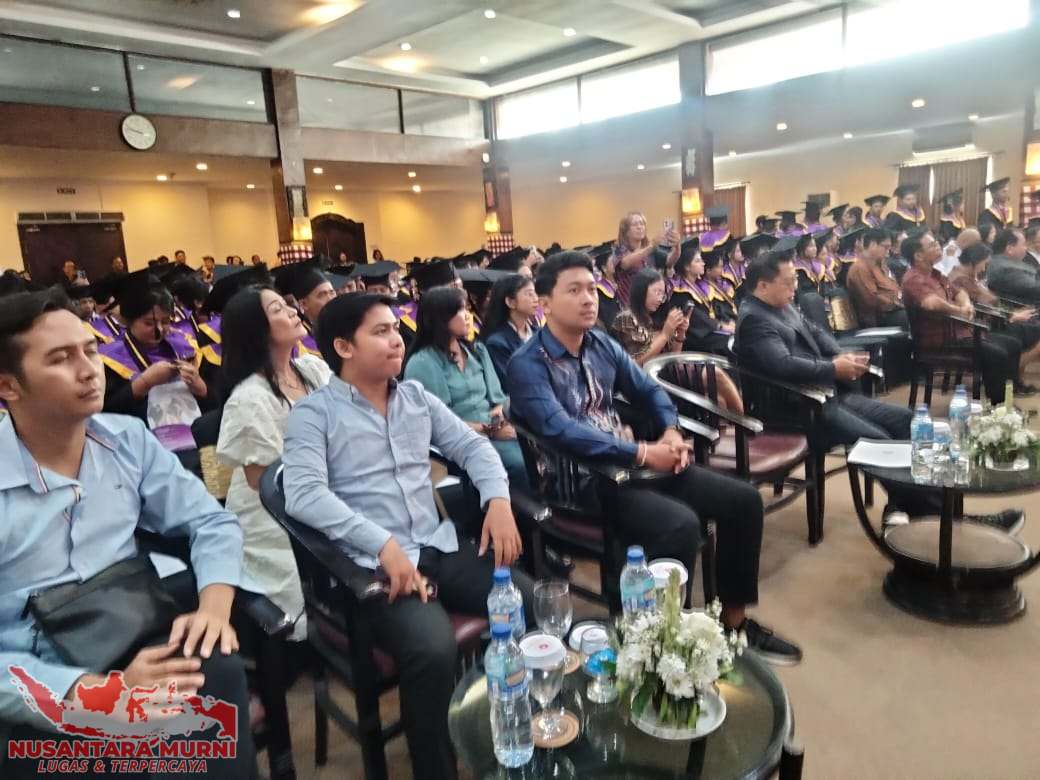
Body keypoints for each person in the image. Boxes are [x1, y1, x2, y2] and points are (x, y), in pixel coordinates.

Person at [0, 289, 255, 778]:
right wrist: (87, 694)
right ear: (9, 386)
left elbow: (211, 521)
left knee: (216, 671)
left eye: (90, 350)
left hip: (127, 629)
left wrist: (214, 607)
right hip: (39, 675)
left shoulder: (127, 440)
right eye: (60, 359)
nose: (88, 370)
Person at [283, 293, 534, 780]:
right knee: (433, 648)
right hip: (373, 569)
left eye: (395, 329)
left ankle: (514, 731)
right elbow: (304, 494)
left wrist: (498, 501)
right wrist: (381, 542)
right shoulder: (314, 414)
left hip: (435, 545)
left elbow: (473, 447)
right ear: (343, 347)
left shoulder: (415, 398)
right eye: (380, 332)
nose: (396, 339)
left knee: (525, 600)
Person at [508, 251, 801, 665]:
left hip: (631, 463)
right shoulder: (527, 364)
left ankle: (733, 624)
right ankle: (664, 644)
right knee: (678, 525)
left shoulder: (600, 343)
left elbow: (648, 390)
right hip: (581, 481)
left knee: (743, 501)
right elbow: (561, 431)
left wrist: (670, 431)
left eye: (591, 288)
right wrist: (644, 451)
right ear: (545, 302)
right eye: (574, 290)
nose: (589, 299)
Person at [217, 285, 331, 642]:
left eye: (288, 304)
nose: (294, 311)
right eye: (278, 309)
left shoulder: (311, 369)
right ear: (257, 329)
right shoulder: (250, 398)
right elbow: (265, 484)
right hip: (275, 512)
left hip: (323, 488)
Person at [404, 287, 528, 489]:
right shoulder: (423, 362)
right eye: (461, 311)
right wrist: (490, 430)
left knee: (543, 450)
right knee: (520, 463)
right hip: (459, 442)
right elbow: (439, 424)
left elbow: (498, 398)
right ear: (442, 318)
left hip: (495, 429)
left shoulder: (476, 350)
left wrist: (499, 416)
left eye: (467, 309)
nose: (468, 316)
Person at [900, 231, 1021, 402]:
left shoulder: (935, 274)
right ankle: (998, 405)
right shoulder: (913, 278)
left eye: (937, 243)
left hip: (959, 333)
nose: (939, 247)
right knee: (997, 354)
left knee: (1013, 344)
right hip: (941, 342)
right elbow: (931, 303)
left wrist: (966, 305)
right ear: (918, 255)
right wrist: (959, 311)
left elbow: (959, 292)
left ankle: (1007, 398)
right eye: (933, 245)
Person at [949, 243, 1040, 386]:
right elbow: (983, 305)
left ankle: (1014, 376)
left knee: (1031, 325)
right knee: (1032, 330)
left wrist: (1013, 313)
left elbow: (991, 303)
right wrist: (1012, 316)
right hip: (984, 324)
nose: (985, 268)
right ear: (975, 261)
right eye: (984, 263)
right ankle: (1011, 373)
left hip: (993, 318)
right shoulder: (962, 280)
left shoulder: (969, 276)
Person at [668, 239, 734, 355]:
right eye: (698, 261)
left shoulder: (698, 286)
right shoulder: (681, 291)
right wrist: (721, 326)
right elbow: (697, 318)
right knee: (730, 343)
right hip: (694, 338)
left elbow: (713, 310)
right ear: (687, 267)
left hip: (707, 332)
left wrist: (727, 322)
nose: (703, 263)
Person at [611, 268, 689, 366]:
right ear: (641, 290)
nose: (660, 299)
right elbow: (636, 362)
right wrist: (664, 335)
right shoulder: (625, 319)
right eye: (657, 292)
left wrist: (680, 333)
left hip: (663, 372)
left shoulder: (660, 318)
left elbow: (674, 359)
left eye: (662, 295)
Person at [482, 273, 539, 389]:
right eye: (529, 294)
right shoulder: (498, 343)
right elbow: (511, 383)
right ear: (510, 302)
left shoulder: (538, 333)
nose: (536, 299)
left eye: (535, 293)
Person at [612, 211, 680, 306]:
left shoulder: (650, 250)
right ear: (626, 231)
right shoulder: (619, 249)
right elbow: (624, 263)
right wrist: (651, 246)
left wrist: (677, 246)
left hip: (651, 304)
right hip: (630, 304)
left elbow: (669, 261)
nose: (639, 227)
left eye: (642, 224)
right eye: (635, 224)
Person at [845, 228, 908, 328]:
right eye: (885, 247)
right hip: (880, 318)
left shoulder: (881, 264)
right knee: (915, 317)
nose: (888, 252)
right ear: (873, 244)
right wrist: (897, 304)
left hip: (894, 311)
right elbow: (871, 299)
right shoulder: (860, 268)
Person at [272, 262, 336, 357]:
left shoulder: (342, 329)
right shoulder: (297, 344)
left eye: (332, 292)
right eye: (322, 295)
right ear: (303, 304)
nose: (331, 299)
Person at [986, 228, 1040, 307]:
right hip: (1025, 310)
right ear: (1010, 249)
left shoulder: (1004, 263)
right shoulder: (1006, 269)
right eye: (1023, 245)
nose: (1026, 248)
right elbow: (1034, 288)